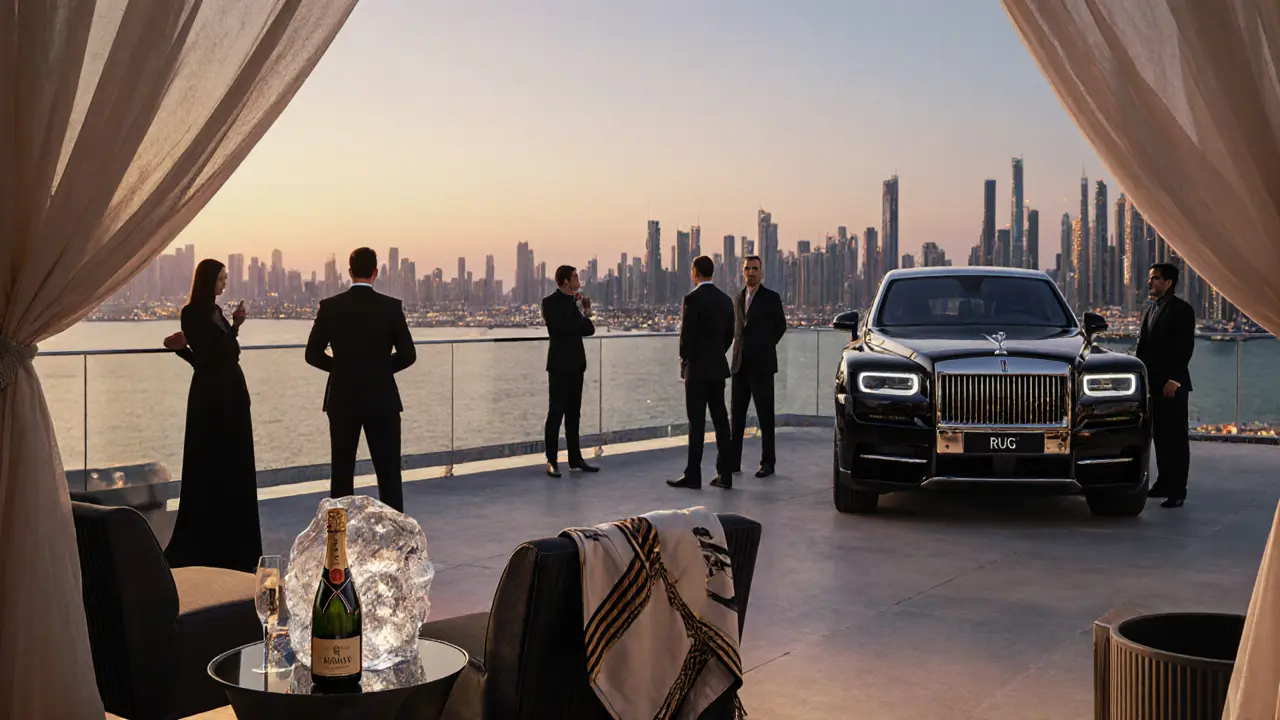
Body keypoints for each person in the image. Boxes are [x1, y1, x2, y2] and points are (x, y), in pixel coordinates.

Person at [163, 259, 263, 572]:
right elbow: (212, 355)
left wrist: (234, 326)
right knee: (210, 461)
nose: (224, 284)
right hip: (212, 397)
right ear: (208, 280)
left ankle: (234, 542)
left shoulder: (215, 312)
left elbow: (218, 351)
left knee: (232, 462)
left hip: (229, 393)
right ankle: (211, 544)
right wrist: (233, 329)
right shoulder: (193, 312)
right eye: (221, 279)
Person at [305, 247, 416, 512]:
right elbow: (408, 355)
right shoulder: (391, 307)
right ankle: (394, 532)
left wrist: (342, 368)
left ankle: (337, 535)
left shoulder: (330, 307)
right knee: (389, 474)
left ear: (350, 272)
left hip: (342, 398)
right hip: (382, 399)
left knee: (341, 474)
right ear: (376, 272)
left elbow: (312, 354)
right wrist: (379, 369)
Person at [669, 255, 735, 490]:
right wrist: (717, 353)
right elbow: (729, 335)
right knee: (721, 422)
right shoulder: (726, 300)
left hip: (696, 370)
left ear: (694, 273)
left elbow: (686, 337)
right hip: (717, 368)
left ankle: (693, 475)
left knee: (696, 424)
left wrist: (685, 361)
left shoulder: (691, 299)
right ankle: (725, 474)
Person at [1136, 262, 1196, 509]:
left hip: (1173, 385)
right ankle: (1163, 483)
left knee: (1176, 439)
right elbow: (1144, 347)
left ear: (1168, 283)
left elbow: (1185, 348)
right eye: (1151, 278)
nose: (1150, 282)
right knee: (1159, 436)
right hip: (1152, 384)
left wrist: (1175, 380)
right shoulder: (1150, 309)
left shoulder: (1182, 310)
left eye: (1155, 278)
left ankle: (1178, 490)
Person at [729, 255, 787, 478]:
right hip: (740, 366)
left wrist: (764, 346)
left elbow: (780, 327)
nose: (751, 272)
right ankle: (733, 462)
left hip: (762, 366)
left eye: (755, 268)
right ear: (742, 272)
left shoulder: (771, 298)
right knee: (737, 418)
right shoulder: (738, 298)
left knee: (765, 417)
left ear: (761, 272)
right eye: (747, 269)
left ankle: (768, 463)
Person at [542, 265, 599, 477]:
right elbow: (559, 328)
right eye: (575, 277)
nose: (578, 281)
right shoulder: (549, 302)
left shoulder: (575, 304)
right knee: (555, 414)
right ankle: (551, 460)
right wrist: (577, 311)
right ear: (565, 281)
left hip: (576, 365)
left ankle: (575, 459)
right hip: (559, 367)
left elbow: (589, 329)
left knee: (574, 414)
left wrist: (585, 311)